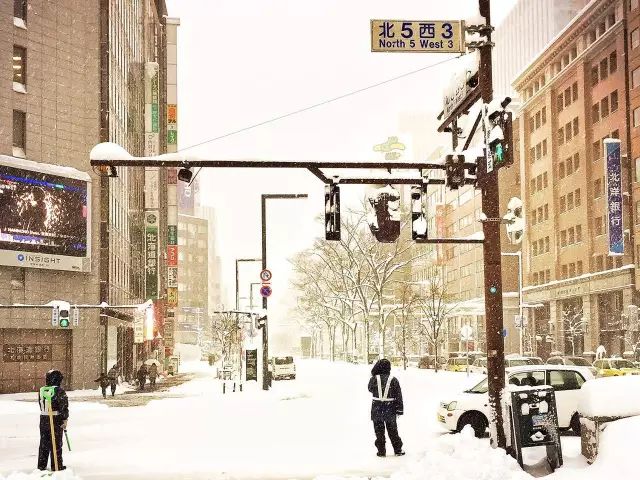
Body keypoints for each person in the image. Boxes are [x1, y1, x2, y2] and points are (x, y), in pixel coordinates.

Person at [368, 359, 404, 457]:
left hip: (376, 408)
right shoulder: (393, 380)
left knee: (379, 432)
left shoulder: (374, 379)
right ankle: (398, 450)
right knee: (393, 431)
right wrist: (399, 410)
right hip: (390, 409)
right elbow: (398, 395)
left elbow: (370, 389)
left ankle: (381, 451)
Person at [38, 369, 69, 472]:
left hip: (43, 419)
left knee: (44, 443)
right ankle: (56, 465)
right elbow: (63, 407)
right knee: (56, 443)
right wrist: (64, 419)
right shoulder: (59, 391)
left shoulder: (42, 390)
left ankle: (41, 465)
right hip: (55, 419)